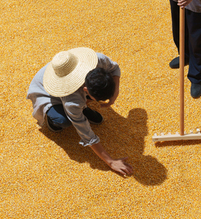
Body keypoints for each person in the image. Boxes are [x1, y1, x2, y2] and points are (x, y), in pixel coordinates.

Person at [27, 47, 133, 177]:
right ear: (86, 90)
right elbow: (86, 133)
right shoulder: (72, 101)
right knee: (64, 121)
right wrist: (110, 162)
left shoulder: (99, 60)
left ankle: (84, 108)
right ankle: (52, 121)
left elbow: (115, 69)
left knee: (78, 109)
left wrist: (115, 93)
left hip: (71, 86)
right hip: (45, 91)